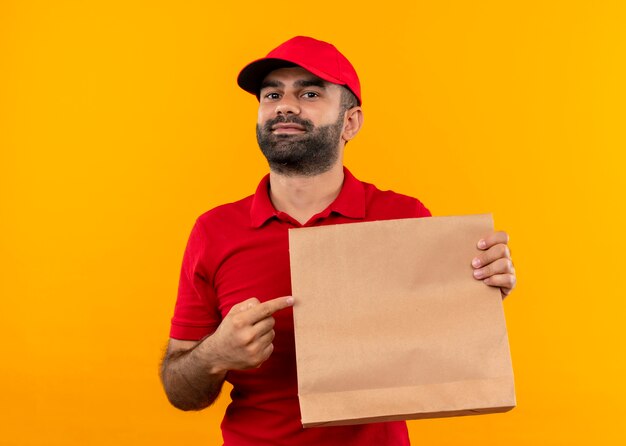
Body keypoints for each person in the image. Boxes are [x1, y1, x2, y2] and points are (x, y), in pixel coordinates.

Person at [160, 36, 516, 445]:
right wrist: (216, 354)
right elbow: (179, 391)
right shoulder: (214, 230)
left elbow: (439, 354)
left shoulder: (402, 217)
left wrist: (477, 297)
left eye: (310, 93)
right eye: (272, 94)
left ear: (350, 123)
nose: (285, 105)